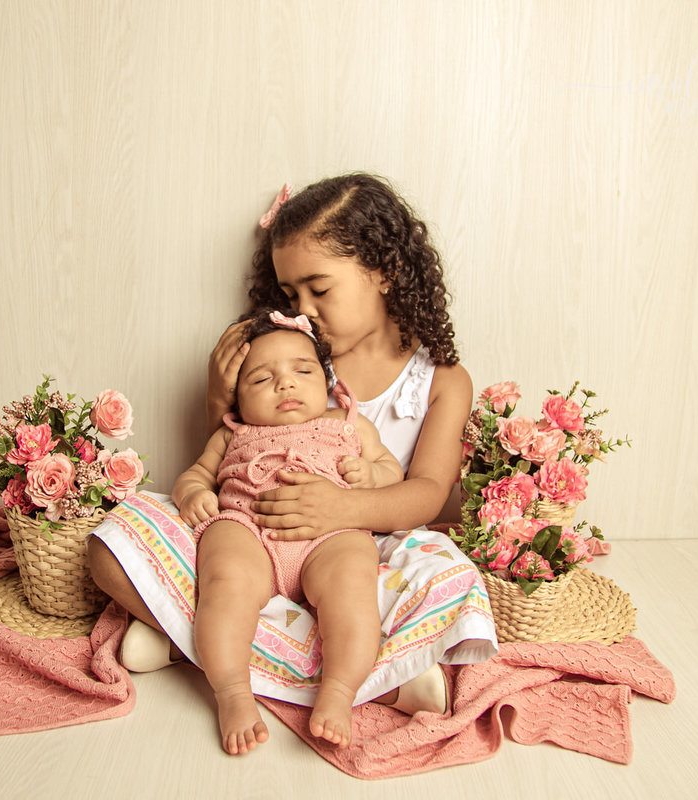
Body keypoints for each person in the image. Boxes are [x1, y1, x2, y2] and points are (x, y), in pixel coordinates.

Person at [88, 173, 497, 736]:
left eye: (319, 290)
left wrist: (342, 510)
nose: (303, 310)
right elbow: (232, 453)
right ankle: (386, 678)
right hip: (253, 535)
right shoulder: (287, 358)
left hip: (360, 549)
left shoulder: (442, 380)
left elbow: (427, 494)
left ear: (384, 270)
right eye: (290, 295)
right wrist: (218, 391)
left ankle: (191, 642)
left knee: (446, 574)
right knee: (113, 544)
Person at [176, 308, 404, 754]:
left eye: (303, 370)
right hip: (251, 531)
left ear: (330, 384)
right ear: (238, 400)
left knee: (354, 584)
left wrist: (372, 476)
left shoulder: (348, 424)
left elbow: (391, 470)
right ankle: (232, 693)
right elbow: (196, 474)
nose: (286, 383)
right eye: (262, 379)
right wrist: (191, 495)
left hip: (330, 537)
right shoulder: (231, 433)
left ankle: (339, 692)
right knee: (225, 577)